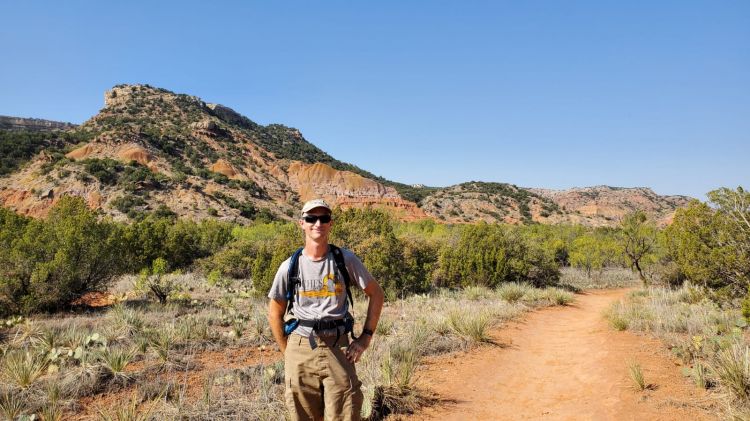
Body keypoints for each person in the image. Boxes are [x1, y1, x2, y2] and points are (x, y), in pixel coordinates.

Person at [268, 199, 385, 421]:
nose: (317, 223)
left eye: (324, 218)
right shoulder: (290, 266)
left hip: (338, 347)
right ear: (301, 223)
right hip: (300, 348)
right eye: (311, 218)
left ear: (331, 224)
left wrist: (365, 338)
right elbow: (275, 312)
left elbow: (376, 294)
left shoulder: (345, 259)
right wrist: (288, 351)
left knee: (346, 412)